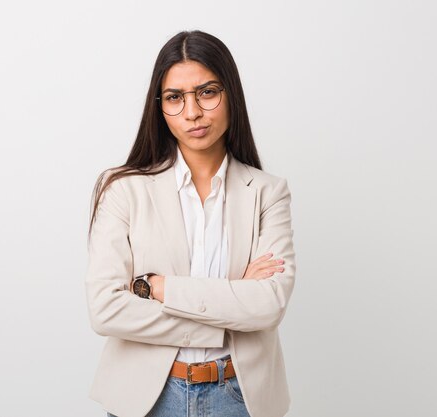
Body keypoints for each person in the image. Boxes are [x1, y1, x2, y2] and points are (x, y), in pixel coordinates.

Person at [85, 30, 296, 417]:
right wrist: (229, 306)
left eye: (207, 92)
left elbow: (268, 305)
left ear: (231, 94)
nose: (193, 112)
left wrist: (160, 288)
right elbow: (106, 310)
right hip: (147, 398)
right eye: (174, 98)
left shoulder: (268, 192)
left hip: (238, 398)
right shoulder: (122, 190)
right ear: (160, 107)